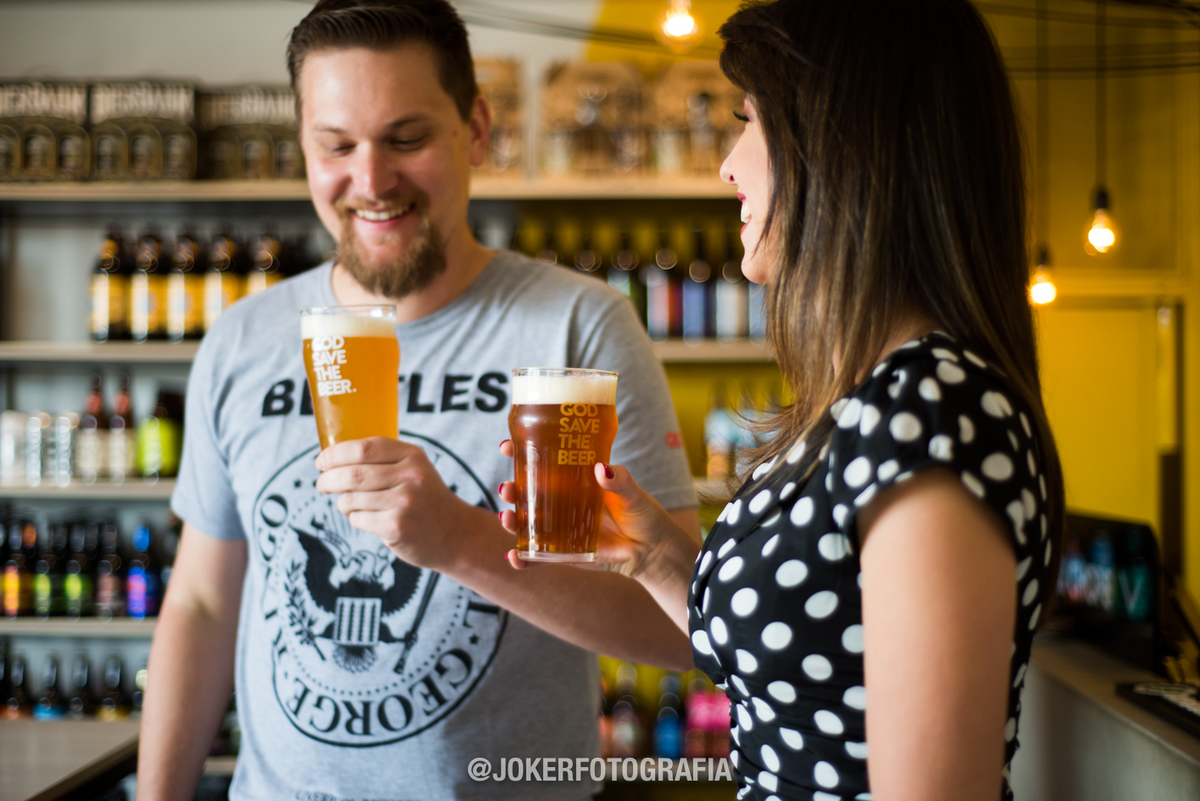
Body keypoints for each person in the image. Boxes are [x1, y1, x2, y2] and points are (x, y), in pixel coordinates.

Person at [496, 1, 1066, 799]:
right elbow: (801, 673)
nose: (727, 166)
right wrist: (655, 555)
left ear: (842, 152)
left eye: (748, 122)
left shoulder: (931, 412)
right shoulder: (869, 400)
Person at [137, 2, 698, 799]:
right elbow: (198, 603)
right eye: (336, 145)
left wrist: (460, 541)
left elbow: (675, 629)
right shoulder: (245, 338)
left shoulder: (572, 328)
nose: (370, 181)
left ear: (475, 128)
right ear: (303, 144)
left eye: (407, 139)